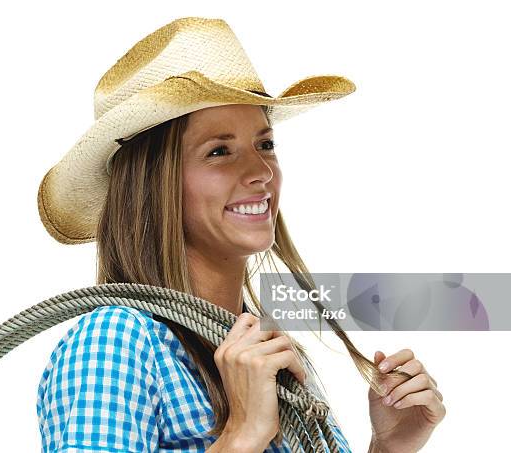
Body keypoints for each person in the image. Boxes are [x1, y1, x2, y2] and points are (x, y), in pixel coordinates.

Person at [35, 17, 445, 453]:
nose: (260, 172)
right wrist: (241, 433)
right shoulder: (113, 341)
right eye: (218, 151)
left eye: (265, 144)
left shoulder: (266, 355)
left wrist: (389, 447)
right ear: (153, 184)